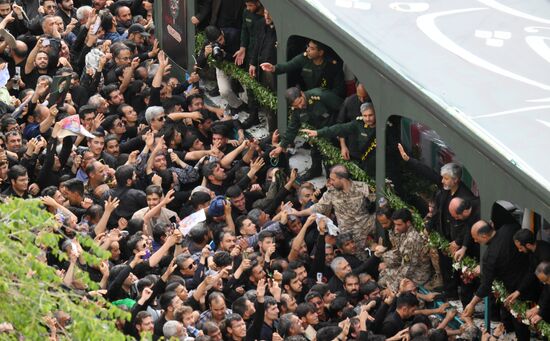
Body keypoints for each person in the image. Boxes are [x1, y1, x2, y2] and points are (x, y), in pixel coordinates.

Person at [462, 220, 530, 340]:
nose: (475, 241)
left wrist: (472, 304)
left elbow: (486, 285)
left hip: (514, 288)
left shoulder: (490, 256)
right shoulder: (509, 227)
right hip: (530, 274)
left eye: (475, 238)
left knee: (519, 318)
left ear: (484, 235)